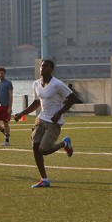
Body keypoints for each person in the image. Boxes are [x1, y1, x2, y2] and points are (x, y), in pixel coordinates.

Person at [13, 59, 81, 188]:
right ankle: (44, 179)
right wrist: (22, 113)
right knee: (35, 147)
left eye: (45, 66)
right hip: (41, 118)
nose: (42, 68)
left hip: (53, 122)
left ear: (51, 69)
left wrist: (59, 113)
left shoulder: (57, 84)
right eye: (41, 66)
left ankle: (64, 143)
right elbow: (37, 102)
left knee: (44, 150)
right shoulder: (36, 84)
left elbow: (73, 98)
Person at [0, 66, 13, 146]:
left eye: (2, 73)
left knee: (5, 122)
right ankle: (5, 132)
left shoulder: (8, 83)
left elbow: (10, 95)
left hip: (5, 106)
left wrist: (10, 107)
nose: (1, 75)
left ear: (5, 74)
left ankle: (7, 140)